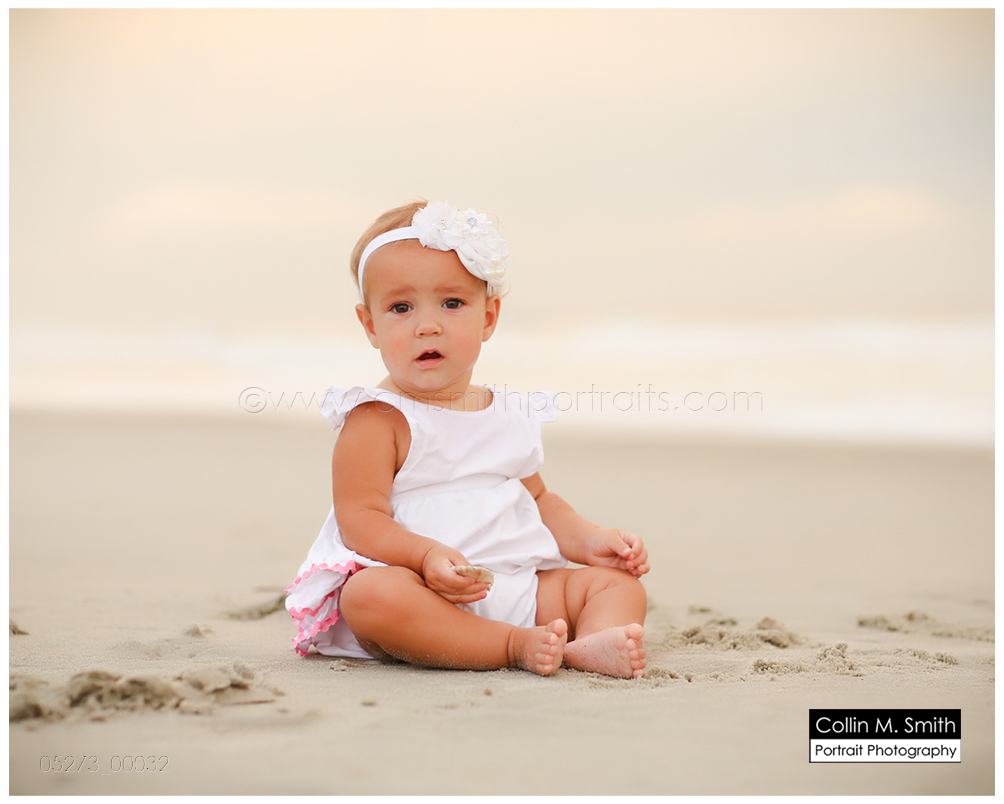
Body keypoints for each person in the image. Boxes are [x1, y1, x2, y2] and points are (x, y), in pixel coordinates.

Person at [285, 200, 649, 678]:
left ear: (489, 317)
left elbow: (539, 499)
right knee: (370, 597)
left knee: (616, 585)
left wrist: (591, 540)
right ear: (371, 325)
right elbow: (360, 519)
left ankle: (596, 643)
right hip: (422, 593)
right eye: (400, 307)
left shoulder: (505, 412)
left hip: (517, 585)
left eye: (452, 303)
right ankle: (512, 646)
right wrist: (424, 555)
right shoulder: (378, 418)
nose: (427, 324)